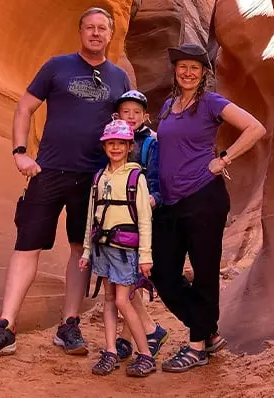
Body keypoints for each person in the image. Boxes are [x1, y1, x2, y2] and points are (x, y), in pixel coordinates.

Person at [0, 7, 130, 362]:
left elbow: (125, 128)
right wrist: (20, 152)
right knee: (27, 246)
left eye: (102, 28)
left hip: (91, 178)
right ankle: (6, 327)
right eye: (89, 27)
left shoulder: (119, 78)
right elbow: (24, 108)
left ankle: (69, 325)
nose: (95, 33)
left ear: (110, 34)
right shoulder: (56, 66)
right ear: (80, 32)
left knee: (79, 249)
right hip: (47, 171)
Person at [151, 43, 266, 373]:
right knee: (163, 272)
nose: (188, 72)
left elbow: (255, 128)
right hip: (171, 202)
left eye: (195, 67)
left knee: (203, 272)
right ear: (175, 70)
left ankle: (197, 345)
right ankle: (209, 331)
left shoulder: (211, 102)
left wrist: (224, 159)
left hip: (204, 197)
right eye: (182, 66)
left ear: (203, 74)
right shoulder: (169, 106)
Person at [79, 119, 156, 378]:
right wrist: (87, 251)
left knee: (123, 300)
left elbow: (144, 219)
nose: (115, 148)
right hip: (103, 248)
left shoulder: (136, 178)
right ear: (104, 146)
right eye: (111, 143)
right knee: (109, 300)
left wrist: (145, 256)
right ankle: (110, 351)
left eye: (120, 144)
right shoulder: (100, 177)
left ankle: (145, 353)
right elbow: (92, 215)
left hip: (125, 251)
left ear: (129, 146)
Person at [112, 90, 169, 360]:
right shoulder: (112, 141)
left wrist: (150, 203)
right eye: (126, 112)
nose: (131, 117)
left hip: (140, 222)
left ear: (146, 116)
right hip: (117, 221)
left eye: (137, 112)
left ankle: (146, 330)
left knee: (126, 279)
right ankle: (127, 337)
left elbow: (159, 186)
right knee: (125, 279)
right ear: (117, 115)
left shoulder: (151, 144)